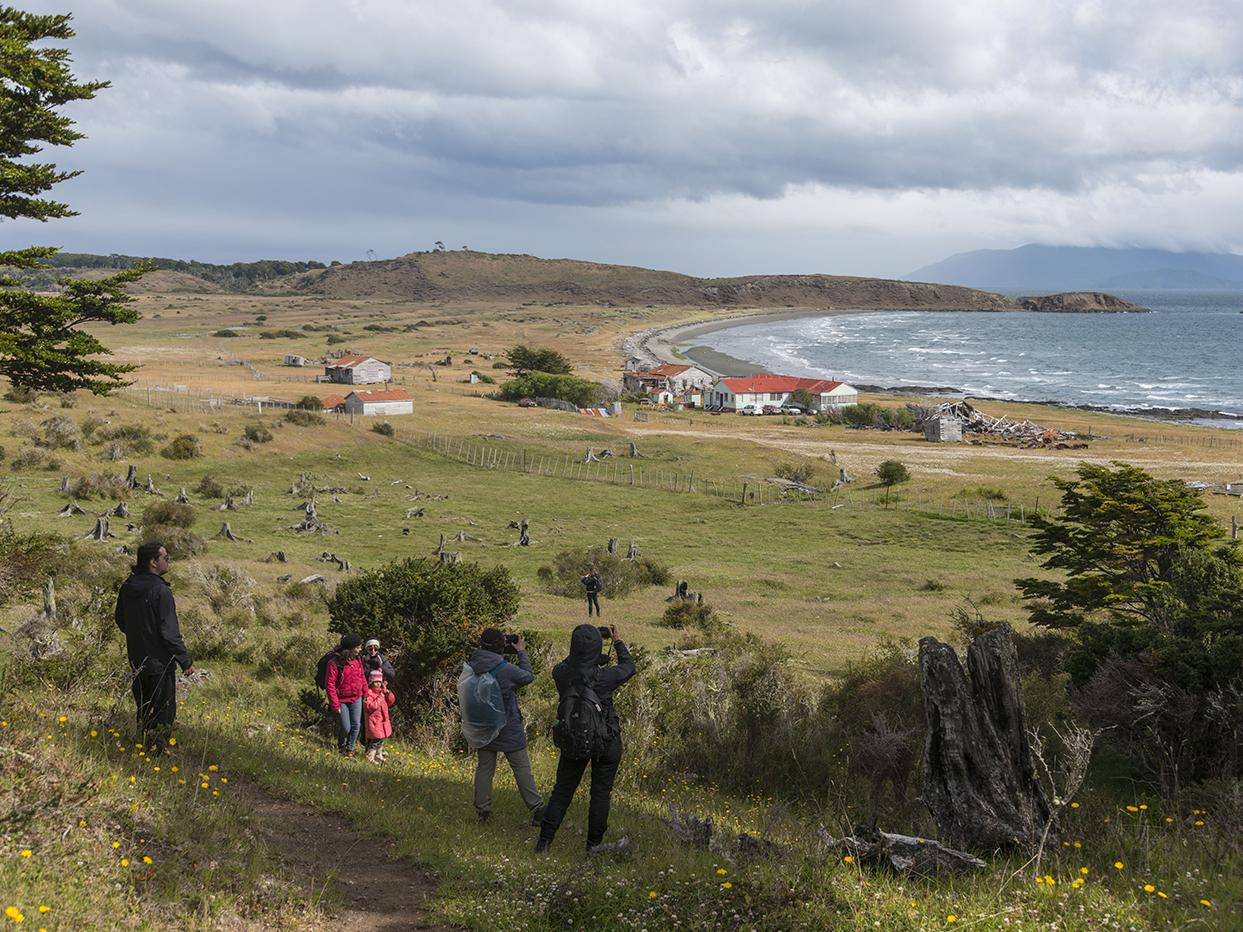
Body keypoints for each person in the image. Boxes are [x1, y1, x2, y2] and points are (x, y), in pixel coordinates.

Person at [536, 623, 635, 853]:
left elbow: (567, 664)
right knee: (600, 794)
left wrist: (582, 652)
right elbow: (629, 666)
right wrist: (617, 641)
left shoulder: (561, 674)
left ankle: (544, 842)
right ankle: (593, 848)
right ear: (597, 648)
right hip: (605, 739)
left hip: (574, 738)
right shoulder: (605, 677)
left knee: (562, 791)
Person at [114, 541, 194, 747]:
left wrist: (138, 635)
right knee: (163, 711)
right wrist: (185, 660)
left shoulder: (127, 587)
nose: (168, 562)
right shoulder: (161, 592)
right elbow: (169, 632)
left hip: (137, 659)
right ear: (153, 562)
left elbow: (121, 620)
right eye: (165, 558)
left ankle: (142, 747)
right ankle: (156, 753)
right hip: (160, 663)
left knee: (144, 706)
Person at [468, 628, 544, 825]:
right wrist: (521, 652)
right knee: (520, 767)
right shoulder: (505, 669)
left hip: (483, 723)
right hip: (508, 723)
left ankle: (483, 811)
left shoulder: (473, 663)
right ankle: (536, 808)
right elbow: (527, 676)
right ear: (501, 646)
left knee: (485, 768)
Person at [326, 634, 367, 756]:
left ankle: (350, 749)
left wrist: (365, 693)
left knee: (356, 726)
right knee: (346, 727)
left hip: (356, 698)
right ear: (350, 648)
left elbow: (362, 677)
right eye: (358, 647)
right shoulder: (334, 663)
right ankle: (342, 746)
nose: (360, 649)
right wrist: (335, 704)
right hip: (341, 700)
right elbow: (330, 685)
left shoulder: (357, 660)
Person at [363, 669, 395, 764]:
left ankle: (378, 754)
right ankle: (370, 756)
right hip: (374, 722)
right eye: (375, 682)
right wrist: (381, 696)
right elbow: (371, 707)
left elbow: (391, 701)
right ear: (371, 683)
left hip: (382, 721)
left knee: (381, 739)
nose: (377, 684)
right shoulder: (368, 694)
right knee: (375, 740)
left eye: (379, 682)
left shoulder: (382, 692)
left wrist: (388, 693)